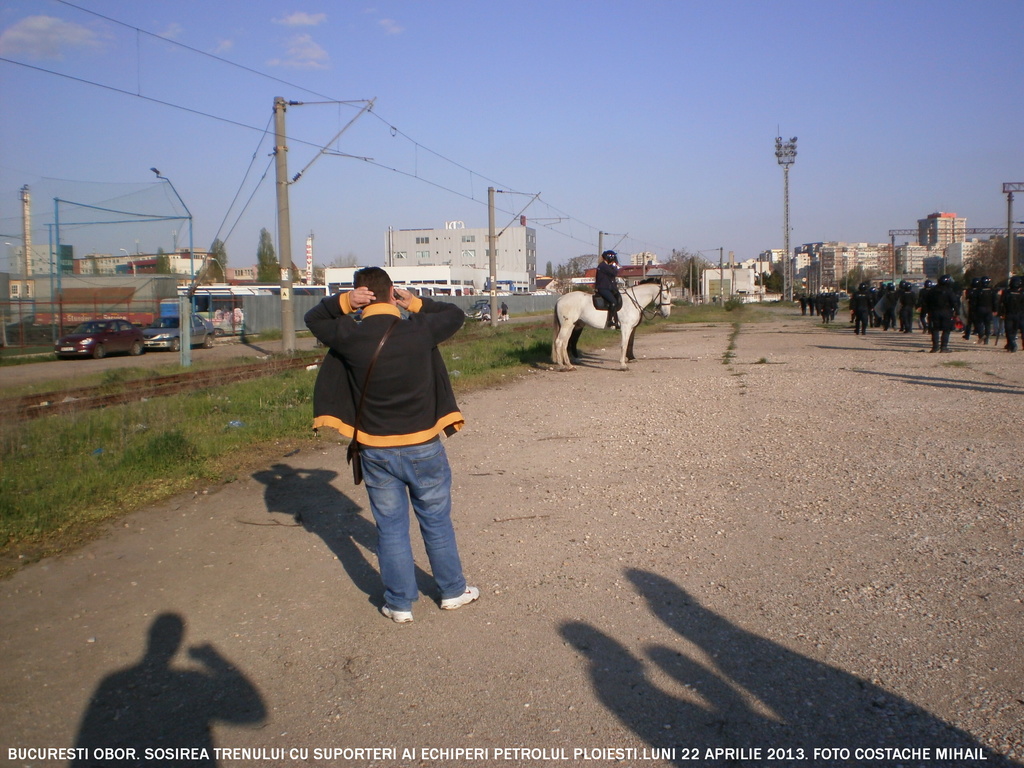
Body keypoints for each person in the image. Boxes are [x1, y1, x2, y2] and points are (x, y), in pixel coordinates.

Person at [304, 267, 479, 623]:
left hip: (375, 449)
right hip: (423, 445)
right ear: (390, 295)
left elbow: (314, 317)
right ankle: (452, 592)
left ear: (361, 296)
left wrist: (343, 302)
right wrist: (413, 302)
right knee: (436, 521)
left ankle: (399, 604)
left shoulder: (348, 335)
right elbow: (455, 314)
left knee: (391, 527)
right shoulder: (420, 329)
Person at [923, 274, 961, 353]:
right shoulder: (949, 291)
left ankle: (935, 347)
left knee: (935, 330)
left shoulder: (932, 291)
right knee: (946, 330)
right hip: (946, 312)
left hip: (934, 312)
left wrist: (927, 312)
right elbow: (954, 302)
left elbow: (926, 302)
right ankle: (944, 347)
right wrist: (957, 312)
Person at [595, 250, 622, 329]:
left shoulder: (606, 266)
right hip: (603, 288)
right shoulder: (603, 266)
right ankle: (610, 320)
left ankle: (617, 320)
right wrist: (615, 266)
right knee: (613, 301)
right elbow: (614, 273)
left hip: (609, 288)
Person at [1000, 275, 1024, 352]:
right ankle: (1011, 343)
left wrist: (1001, 313)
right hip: (1019, 314)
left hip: (1009, 313)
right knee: (1014, 329)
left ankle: (1012, 343)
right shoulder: (1021, 293)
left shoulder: (1006, 292)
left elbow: (1002, 303)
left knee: (1009, 330)